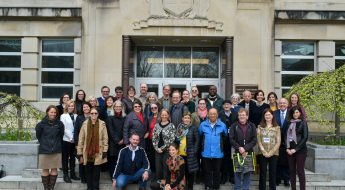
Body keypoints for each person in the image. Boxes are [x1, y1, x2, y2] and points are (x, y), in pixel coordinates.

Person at [77, 107, 109, 190]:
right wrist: (79, 152)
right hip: (87, 151)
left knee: (96, 172)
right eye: (92, 113)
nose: (94, 115)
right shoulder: (85, 123)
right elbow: (81, 139)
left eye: (95, 113)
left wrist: (105, 150)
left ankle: (96, 188)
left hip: (98, 151)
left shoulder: (102, 124)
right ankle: (89, 187)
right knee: (88, 171)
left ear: (98, 114)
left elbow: (105, 138)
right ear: (89, 114)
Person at [36, 105, 64, 190]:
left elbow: (61, 135)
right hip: (44, 150)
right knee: (45, 169)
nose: (53, 114)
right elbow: (38, 136)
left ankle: (51, 188)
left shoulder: (59, 124)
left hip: (56, 150)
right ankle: (46, 188)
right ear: (47, 112)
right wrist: (45, 144)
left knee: (54, 168)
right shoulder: (41, 124)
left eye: (55, 112)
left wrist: (56, 144)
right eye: (51, 112)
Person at [198, 108, 227, 190]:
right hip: (206, 153)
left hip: (218, 153)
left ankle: (216, 187)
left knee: (217, 172)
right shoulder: (202, 125)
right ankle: (208, 186)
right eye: (211, 113)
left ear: (217, 114)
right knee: (207, 171)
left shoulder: (222, 125)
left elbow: (225, 137)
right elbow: (200, 136)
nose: (212, 115)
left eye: (214, 113)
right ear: (208, 114)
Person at [229, 108, 257, 190]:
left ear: (247, 116)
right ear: (238, 116)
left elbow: (254, 139)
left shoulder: (252, 126)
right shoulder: (234, 126)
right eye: (240, 115)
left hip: (248, 152)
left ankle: (245, 188)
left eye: (243, 115)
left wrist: (245, 148)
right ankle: (237, 188)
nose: (242, 116)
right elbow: (231, 139)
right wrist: (239, 147)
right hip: (237, 152)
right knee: (237, 172)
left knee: (247, 172)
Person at [257, 108, 281, 190]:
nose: (267, 116)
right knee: (263, 172)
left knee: (273, 172)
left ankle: (272, 188)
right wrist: (263, 151)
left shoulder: (277, 127)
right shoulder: (260, 127)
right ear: (264, 116)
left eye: (269, 114)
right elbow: (259, 140)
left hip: (274, 153)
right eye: (266, 114)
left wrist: (271, 152)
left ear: (272, 116)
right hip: (262, 153)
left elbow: (278, 142)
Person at [285, 106, 308, 190]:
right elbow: (285, 136)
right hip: (290, 150)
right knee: (291, 170)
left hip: (300, 150)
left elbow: (305, 137)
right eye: (294, 112)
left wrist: (295, 149)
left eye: (297, 112)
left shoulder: (303, 123)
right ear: (292, 114)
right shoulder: (288, 123)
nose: (295, 114)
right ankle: (293, 188)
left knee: (300, 171)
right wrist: (287, 148)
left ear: (300, 113)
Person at [176, 112, 199, 190]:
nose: (186, 119)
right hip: (181, 153)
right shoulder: (180, 128)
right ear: (182, 119)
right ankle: (183, 187)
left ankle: (190, 187)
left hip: (190, 153)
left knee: (190, 172)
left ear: (190, 119)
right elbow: (177, 139)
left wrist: (195, 151)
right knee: (182, 172)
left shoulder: (193, 128)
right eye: (185, 118)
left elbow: (197, 140)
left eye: (188, 118)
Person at [152, 108, 176, 180]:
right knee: (158, 167)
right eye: (162, 115)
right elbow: (154, 138)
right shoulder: (156, 125)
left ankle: (166, 184)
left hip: (167, 150)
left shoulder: (171, 126)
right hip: (157, 150)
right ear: (160, 115)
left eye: (165, 115)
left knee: (166, 167)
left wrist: (162, 148)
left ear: (168, 115)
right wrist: (157, 148)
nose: (164, 116)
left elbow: (172, 139)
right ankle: (158, 183)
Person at [60, 100, 80, 183]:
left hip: (74, 140)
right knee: (65, 158)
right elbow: (64, 128)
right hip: (66, 140)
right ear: (66, 107)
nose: (71, 107)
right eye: (69, 106)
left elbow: (77, 128)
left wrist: (75, 139)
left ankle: (72, 174)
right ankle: (66, 175)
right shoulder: (63, 116)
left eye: (72, 106)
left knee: (72, 158)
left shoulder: (76, 115)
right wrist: (71, 138)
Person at [218, 100, 237, 184]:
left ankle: (232, 177)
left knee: (232, 159)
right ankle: (224, 177)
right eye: (225, 105)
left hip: (233, 140)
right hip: (223, 140)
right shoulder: (219, 114)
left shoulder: (235, 114)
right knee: (224, 159)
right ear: (223, 106)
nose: (226, 106)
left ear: (231, 105)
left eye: (228, 104)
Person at [106, 100, 126, 179]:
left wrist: (124, 139)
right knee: (113, 161)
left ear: (122, 108)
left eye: (119, 106)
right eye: (116, 106)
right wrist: (118, 141)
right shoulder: (110, 118)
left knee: (121, 160)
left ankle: (120, 176)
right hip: (113, 143)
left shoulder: (125, 117)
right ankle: (113, 177)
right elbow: (110, 131)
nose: (118, 108)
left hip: (123, 142)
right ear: (113, 107)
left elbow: (126, 129)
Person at [74, 102, 91, 183]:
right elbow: (76, 131)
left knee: (89, 161)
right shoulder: (79, 117)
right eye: (84, 107)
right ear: (82, 109)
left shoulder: (93, 116)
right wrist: (77, 144)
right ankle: (83, 178)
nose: (86, 108)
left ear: (90, 108)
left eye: (87, 107)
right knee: (81, 160)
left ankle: (88, 177)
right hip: (81, 143)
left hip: (91, 143)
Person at [274, 98, 290, 186]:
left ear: (287, 104)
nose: (282, 104)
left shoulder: (291, 113)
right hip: (277, 141)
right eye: (280, 103)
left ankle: (286, 179)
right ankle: (278, 178)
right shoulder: (275, 113)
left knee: (287, 161)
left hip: (288, 141)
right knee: (278, 161)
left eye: (284, 103)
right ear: (278, 104)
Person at [146, 102, 160, 175]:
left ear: (158, 108)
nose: (153, 109)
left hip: (159, 141)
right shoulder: (149, 118)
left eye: (155, 108)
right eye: (152, 108)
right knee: (151, 157)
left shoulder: (161, 117)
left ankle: (158, 174)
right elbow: (148, 128)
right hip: (150, 140)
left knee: (158, 158)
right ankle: (153, 173)